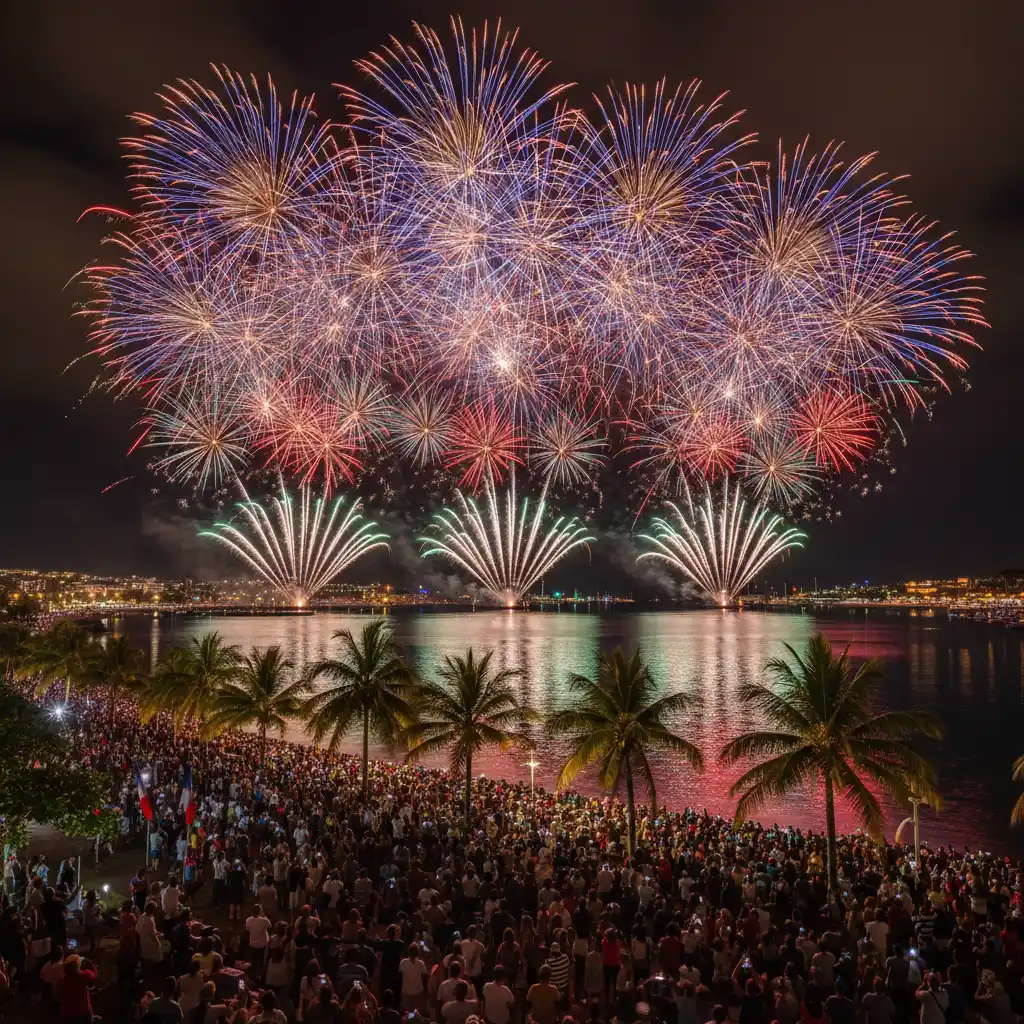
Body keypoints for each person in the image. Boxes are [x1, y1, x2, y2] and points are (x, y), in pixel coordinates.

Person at [55, 954, 97, 1024]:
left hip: (67, 1014)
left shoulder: (61, 981)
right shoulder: (85, 975)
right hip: (83, 1011)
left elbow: (57, 995)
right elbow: (95, 975)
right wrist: (92, 964)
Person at [399, 942, 428, 1013]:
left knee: (407, 1013)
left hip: (406, 991)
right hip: (418, 992)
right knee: (416, 1013)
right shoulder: (421, 964)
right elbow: (424, 979)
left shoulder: (403, 963)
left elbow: (400, 978)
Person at [245, 904, 271, 982]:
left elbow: (247, 928)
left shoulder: (248, 920)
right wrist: (264, 916)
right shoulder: (264, 920)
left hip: (253, 943)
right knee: (261, 961)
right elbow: (269, 926)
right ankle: (259, 976)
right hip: (262, 944)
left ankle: (252, 975)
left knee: (253, 959)